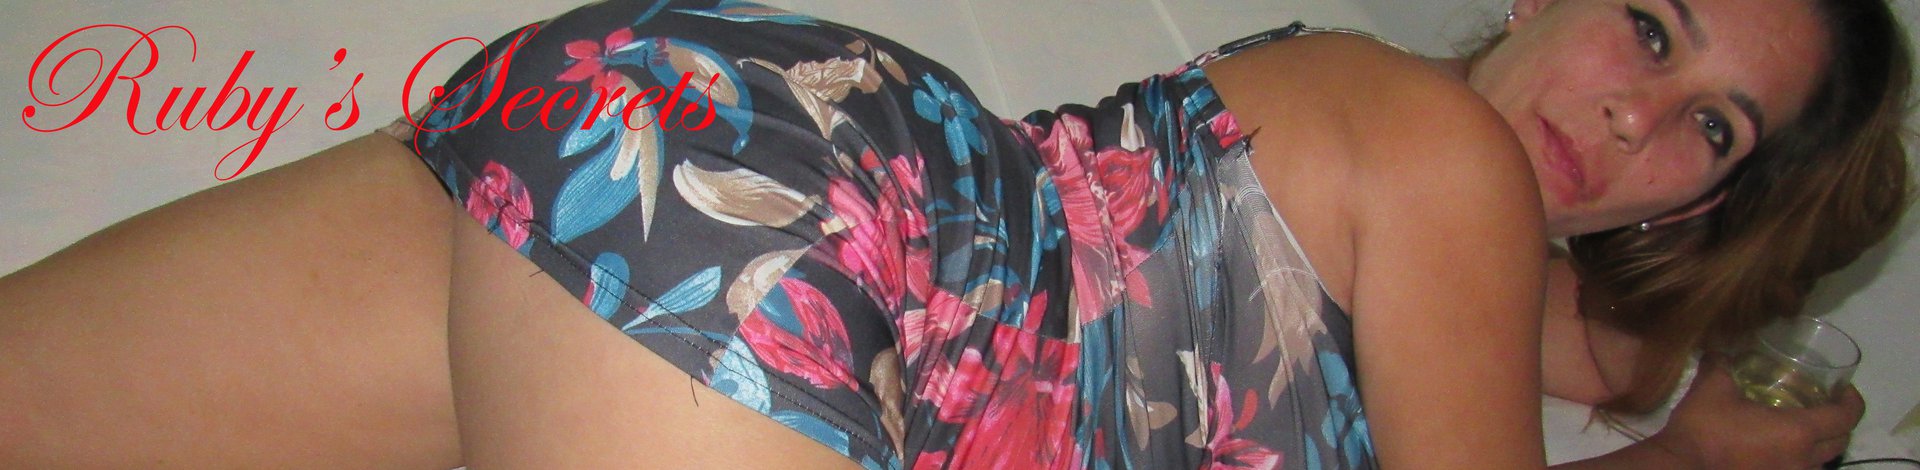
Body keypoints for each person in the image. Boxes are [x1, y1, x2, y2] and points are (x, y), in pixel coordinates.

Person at [0, 0, 1904, 468]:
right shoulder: (1444, 156)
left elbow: (1601, 354)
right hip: (816, 244)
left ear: (1708, 196)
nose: (1633, 111)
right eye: (1650, 24)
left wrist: (1694, 400)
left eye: (1707, 125)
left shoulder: (1424, 228)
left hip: (668, 128)